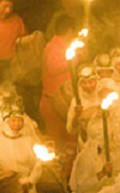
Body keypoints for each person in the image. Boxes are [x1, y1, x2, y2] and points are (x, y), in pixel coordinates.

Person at [40, 15, 75, 158]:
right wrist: (72, 61)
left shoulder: (63, 47)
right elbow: (53, 68)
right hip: (52, 102)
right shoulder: (54, 47)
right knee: (56, 147)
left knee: (67, 144)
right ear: (69, 30)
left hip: (62, 102)